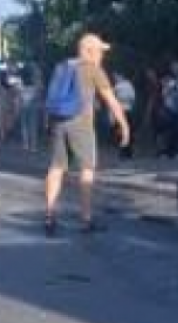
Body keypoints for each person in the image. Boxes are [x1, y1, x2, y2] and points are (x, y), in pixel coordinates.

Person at [43, 33, 131, 236]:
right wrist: (124, 124)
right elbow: (111, 100)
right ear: (89, 51)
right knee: (87, 170)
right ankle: (86, 219)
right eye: (100, 50)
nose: (102, 55)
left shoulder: (64, 66)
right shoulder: (93, 69)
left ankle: (49, 215)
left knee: (56, 168)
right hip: (81, 124)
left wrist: (48, 121)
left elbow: (52, 95)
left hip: (59, 121)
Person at [19, 62, 45, 153]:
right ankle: (33, 147)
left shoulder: (20, 81)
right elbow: (39, 92)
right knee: (32, 125)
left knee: (24, 125)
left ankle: (26, 144)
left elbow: (18, 93)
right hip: (33, 104)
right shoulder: (35, 82)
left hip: (23, 104)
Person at [113, 71, 137, 159]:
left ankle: (124, 151)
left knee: (120, 132)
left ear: (120, 76)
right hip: (128, 111)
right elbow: (133, 98)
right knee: (127, 131)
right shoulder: (129, 85)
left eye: (116, 76)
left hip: (121, 112)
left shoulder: (118, 86)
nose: (114, 78)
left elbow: (113, 98)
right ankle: (128, 152)